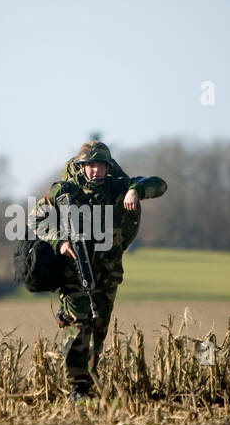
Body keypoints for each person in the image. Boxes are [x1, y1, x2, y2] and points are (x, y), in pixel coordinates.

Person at [32, 140, 167, 402]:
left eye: (100, 165)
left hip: (107, 274)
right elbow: (35, 218)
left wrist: (135, 190)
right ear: (81, 167)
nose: (95, 171)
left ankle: (89, 383)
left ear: (108, 167)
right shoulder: (64, 192)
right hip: (73, 273)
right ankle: (77, 387)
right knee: (76, 327)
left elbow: (160, 185)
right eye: (90, 165)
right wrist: (59, 241)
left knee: (98, 330)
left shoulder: (119, 187)